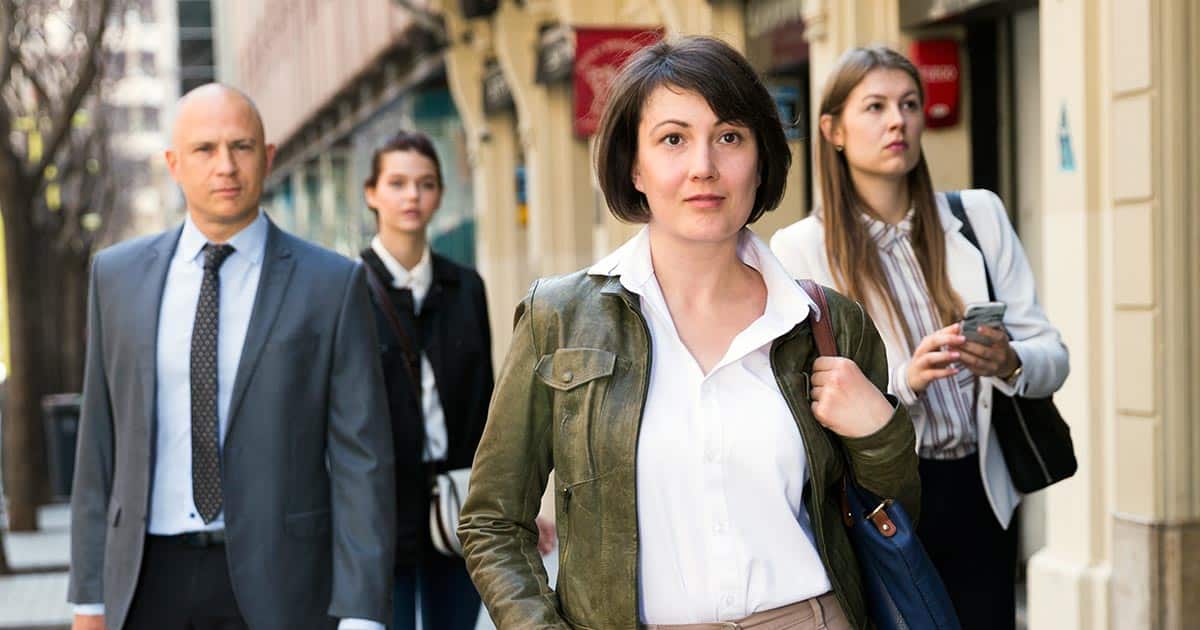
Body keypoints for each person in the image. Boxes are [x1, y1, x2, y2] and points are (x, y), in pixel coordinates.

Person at [458, 36, 920, 630]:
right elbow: (494, 521)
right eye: (673, 139)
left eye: (730, 137)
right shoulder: (560, 318)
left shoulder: (825, 324)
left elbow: (897, 512)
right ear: (635, 165)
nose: (704, 166)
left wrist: (879, 431)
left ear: (761, 160)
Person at [68, 84, 396, 630]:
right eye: (204, 149)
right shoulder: (116, 277)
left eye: (242, 146)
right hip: (146, 580)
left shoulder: (332, 285)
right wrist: (89, 600)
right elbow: (96, 448)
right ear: (173, 163)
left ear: (267, 158)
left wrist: (362, 613)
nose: (226, 165)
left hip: (284, 584)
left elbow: (362, 460)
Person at [770, 47, 1070, 630]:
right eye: (875, 106)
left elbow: (1052, 357)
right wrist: (904, 380)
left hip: (983, 492)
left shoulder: (978, 216)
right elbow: (807, 399)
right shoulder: (799, 249)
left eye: (909, 105)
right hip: (885, 498)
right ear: (832, 129)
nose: (897, 122)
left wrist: (1008, 362)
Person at [358, 130, 494, 630]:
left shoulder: (465, 287)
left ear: (439, 193)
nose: (412, 196)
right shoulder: (346, 288)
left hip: (455, 502)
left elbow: (487, 404)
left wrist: (511, 507)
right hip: (380, 509)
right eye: (397, 183)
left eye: (425, 183)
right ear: (372, 193)